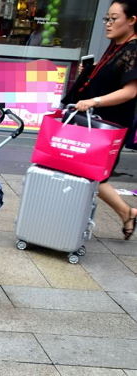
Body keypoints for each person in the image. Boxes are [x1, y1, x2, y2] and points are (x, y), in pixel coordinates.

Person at [66, 0, 137, 240]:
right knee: (85, 171)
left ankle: (126, 212)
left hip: (109, 126)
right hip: (93, 123)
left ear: (132, 20)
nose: (107, 24)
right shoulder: (117, 45)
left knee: (93, 174)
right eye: (106, 18)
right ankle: (126, 213)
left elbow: (130, 91)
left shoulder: (133, 49)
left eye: (113, 18)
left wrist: (94, 101)